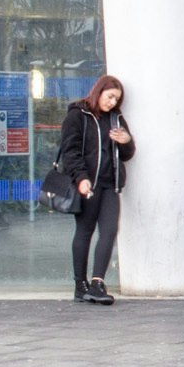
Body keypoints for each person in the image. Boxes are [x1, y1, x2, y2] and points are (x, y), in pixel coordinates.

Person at [56, 74, 135, 305]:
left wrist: (126, 140)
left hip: (111, 183)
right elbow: (70, 151)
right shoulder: (78, 114)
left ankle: (97, 283)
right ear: (98, 92)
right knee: (85, 230)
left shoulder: (116, 118)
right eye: (110, 97)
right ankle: (80, 285)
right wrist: (81, 178)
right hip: (87, 183)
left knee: (109, 230)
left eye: (116, 99)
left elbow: (128, 154)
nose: (112, 102)